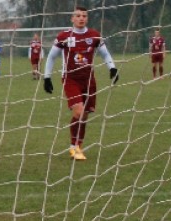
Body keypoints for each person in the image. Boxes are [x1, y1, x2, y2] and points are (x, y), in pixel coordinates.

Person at [43, 6, 119, 161]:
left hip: (89, 79)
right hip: (70, 79)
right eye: (78, 16)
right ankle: (73, 147)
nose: (81, 18)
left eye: (84, 16)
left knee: (83, 116)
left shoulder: (94, 35)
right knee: (78, 111)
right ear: (72, 18)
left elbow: (105, 54)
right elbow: (51, 57)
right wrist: (47, 77)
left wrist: (112, 68)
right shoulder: (64, 36)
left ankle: (78, 145)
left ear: (87, 18)